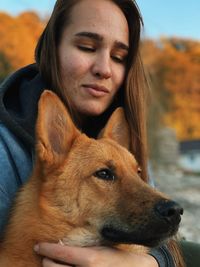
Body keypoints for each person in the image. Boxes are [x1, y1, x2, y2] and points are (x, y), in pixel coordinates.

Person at [0, 0, 186, 266]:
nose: (104, 69)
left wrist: (147, 263)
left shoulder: (116, 136)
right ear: (52, 49)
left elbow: (163, 244)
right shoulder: (4, 150)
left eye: (119, 57)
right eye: (86, 47)